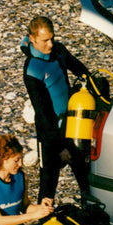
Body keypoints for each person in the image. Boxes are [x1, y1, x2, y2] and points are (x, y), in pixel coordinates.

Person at [21, 16, 91, 201]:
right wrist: (60, 147)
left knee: (85, 176)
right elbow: (43, 113)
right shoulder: (33, 69)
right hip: (50, 133)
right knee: (48, 184)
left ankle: (92, 212)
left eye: (52, 38)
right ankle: (43, 223)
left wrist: (91, 81)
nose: (50, 44)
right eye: (45, 40)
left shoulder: (59, 51)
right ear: (32, 38)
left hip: (73, 123)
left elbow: (78, 67)